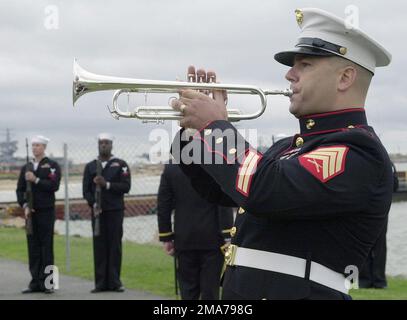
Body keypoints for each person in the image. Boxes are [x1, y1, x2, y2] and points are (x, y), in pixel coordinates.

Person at [169, 8, 393, 299]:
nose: (289, 74)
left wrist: (215, 127)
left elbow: (267, 190)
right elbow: (221, 191)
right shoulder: (288, 147)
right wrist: (194, 132)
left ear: (345, 78)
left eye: (305, 64)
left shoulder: (358, 152)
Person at [157, 162, 234, 300]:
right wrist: (227, 234)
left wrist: (166, 236)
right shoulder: (214, 164)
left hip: (184, 237)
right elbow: (224, 202)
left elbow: (163, 204)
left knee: (187, 289)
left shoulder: (171, 168)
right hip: (212, 237)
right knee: (210, 289)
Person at [82, 133, 131, 293]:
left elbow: (125, 187)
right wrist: (94, 203)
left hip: (115, 211)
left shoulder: (120, 164)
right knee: (99, 247)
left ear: (111, 145)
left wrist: (107, 184)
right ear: (98, 145)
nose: (103, 145)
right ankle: (100, 283)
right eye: (101, 143)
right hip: (97, 212)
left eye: (106, 143)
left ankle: (115, 282)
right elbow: (86, 191)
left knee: (114, 246)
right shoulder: (90, 166)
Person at [16, 135, 61, 294]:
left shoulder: (52, 165)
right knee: (33, 247)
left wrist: (35, 180)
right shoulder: (26, 167)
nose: (35, 148)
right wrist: (25, 205)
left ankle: (48, 283)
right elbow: (20, 190)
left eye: (38, 145)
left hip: (46, 211)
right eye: (33, 145)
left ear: (44, 147)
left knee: (46, 247)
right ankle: (35, 282)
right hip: (30, 213)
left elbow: (54, 185)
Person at [359, 162, 398, 288]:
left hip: (363, 211)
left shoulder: (364, 164)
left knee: (363, 245)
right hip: (381, 212)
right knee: (380, 247)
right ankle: (380, 280)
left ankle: (364, 280)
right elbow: (395, 186)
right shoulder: (389, 165)